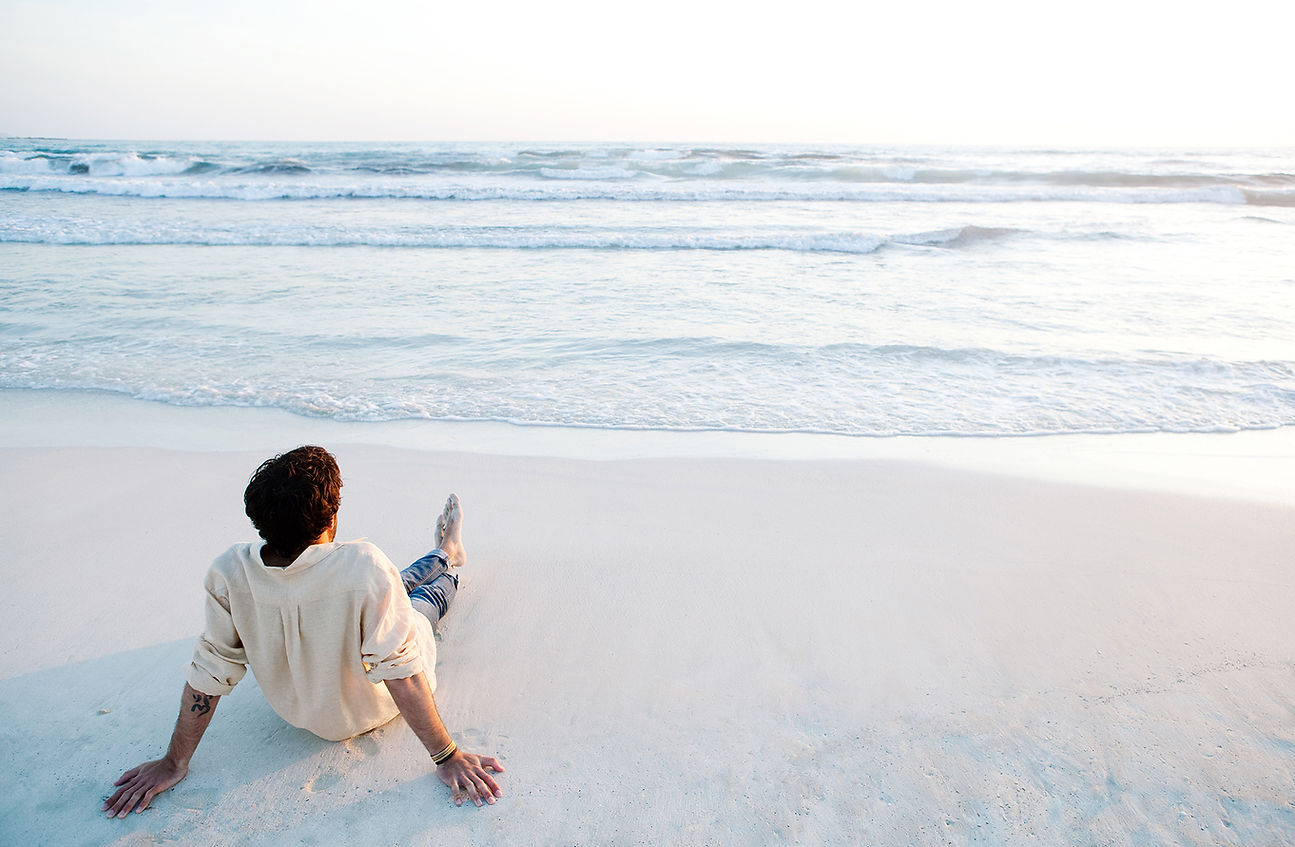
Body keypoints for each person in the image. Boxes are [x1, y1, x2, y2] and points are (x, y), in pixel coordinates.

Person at [102, 445, 503, 818]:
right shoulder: (363, 564)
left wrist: (174, 762)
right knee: (418, 605)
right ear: (331, 519)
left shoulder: (228, 571)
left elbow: (209, 672)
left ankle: (444, 553)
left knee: (389, 584)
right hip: (368, 708)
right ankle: (450, 556)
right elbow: (402, 672)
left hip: (297, 710)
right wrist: (447, 756)